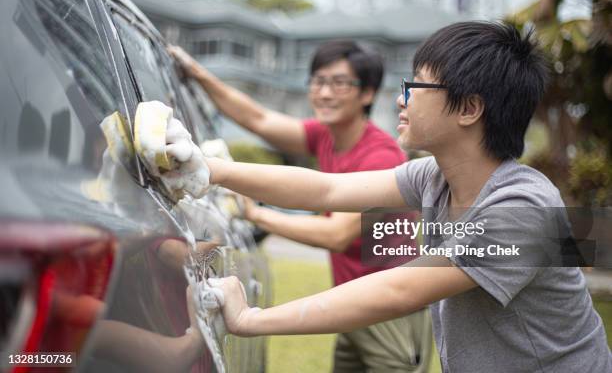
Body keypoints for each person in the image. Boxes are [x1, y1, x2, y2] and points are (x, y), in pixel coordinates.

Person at [149, 21, 612, 372]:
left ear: (470, 109)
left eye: (416, 86)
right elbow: (329, 188)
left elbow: (398, 288)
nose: (400, 100)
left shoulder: (523, 209)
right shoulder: (434, 175)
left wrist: (250, 318)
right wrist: (207, 170)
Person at [169, 41, 429, 372]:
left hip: (390, 307)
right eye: (317, 82)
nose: (324, 93)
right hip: (352, 301)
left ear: (367, 94)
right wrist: (198, 73)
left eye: (339, 83)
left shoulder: (380, 155)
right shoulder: (325, 135)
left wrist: (257, 214)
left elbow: (337, 234)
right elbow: (258, 118)